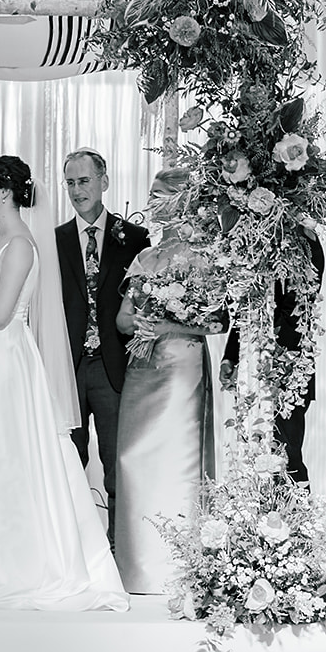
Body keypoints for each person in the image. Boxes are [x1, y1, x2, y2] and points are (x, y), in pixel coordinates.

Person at [0, 156, 128, 612]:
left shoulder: (19, 245)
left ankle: (15, 559)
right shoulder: (2, 243)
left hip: (5, 356)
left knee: (4, 455)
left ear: (5, 191)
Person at [113, 167, 223, 595]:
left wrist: (167, 324)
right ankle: (138, 568)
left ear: (183, 200)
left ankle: (178, 567)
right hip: (141, 368)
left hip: (181, 368)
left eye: (161, 196)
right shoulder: (145, 257)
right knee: (133, 460)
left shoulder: (205, 255)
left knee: (177, 463)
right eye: (151, 195)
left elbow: (216, 320)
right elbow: (122, 318)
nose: (153, 203)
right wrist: (136, 322)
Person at [55, 148, 150, 539]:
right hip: (67, 365)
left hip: (114, 365)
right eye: (71, 183)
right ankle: (74, 546)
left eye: (85, 181)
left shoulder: (134, 238)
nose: (78, 190)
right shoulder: (53, 239)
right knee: (68, 458)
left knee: (117, 459)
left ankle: (119, 545)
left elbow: (145, 301)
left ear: (104, 182)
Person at [221, 232, 325, 482]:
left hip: (286, 371)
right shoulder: (255, 238)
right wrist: (232, 357)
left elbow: (296, 309)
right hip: (252, 369)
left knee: (285, 457)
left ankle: (295, 518)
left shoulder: (303, 239)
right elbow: (249, 307)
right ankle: (253, 519)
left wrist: (262, 358)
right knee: (252, 456)